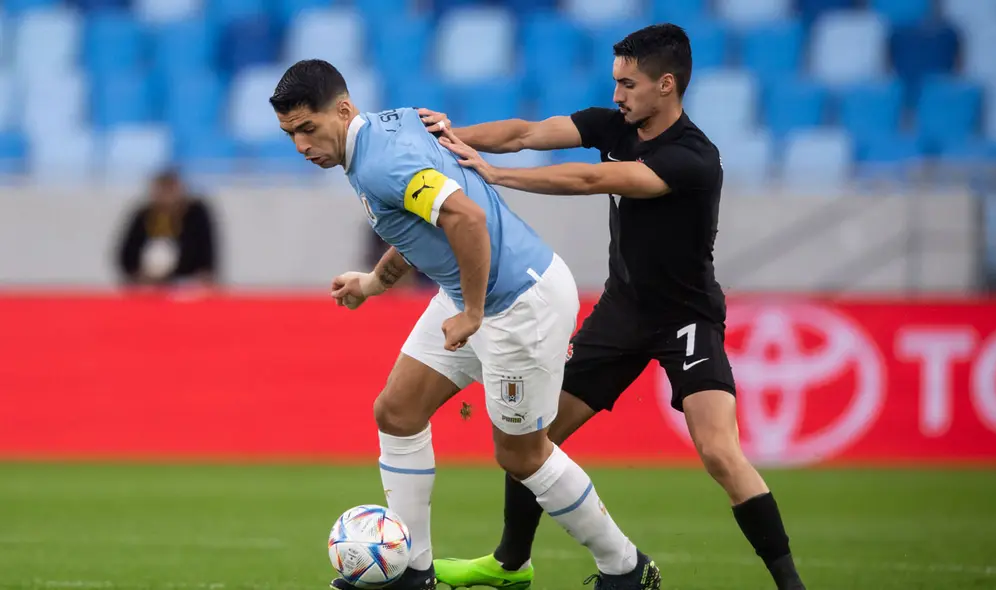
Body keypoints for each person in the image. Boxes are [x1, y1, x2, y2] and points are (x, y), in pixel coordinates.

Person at [421, 24, 808, 590]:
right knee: (532, 437)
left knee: (721, 453)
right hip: (621, 313)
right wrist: (450, 138)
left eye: (628, 84)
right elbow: (526, 131)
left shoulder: (695, 159)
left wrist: (495, 174)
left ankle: (791, 584)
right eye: (615, 83)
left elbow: (592, 178)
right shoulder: (613, 124)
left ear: (666, 85)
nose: (617, 95)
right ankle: (509, 565)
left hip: (686, 319)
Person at [268, 59, 661, 590]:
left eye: (307, 129)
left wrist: (472, 313)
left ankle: (627, 570)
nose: (301, 146)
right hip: (473, 293)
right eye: (290, 134)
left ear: (342, 110)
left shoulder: (381, 162)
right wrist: (374, 283)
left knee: (522, 455)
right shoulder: (395, 125)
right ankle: (412, 573)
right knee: (398, 411)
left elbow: (466, 218)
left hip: (519, 302)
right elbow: (421, 226)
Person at [115, 168, 218, 288]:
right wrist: (138, 275)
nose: (166, 196)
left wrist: (204, 274)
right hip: (149, 284)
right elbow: (126, 253)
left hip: (187, 283)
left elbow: (207, 247)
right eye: (162, 190)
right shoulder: (144, 215)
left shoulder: (195, 214)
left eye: (170, 189)